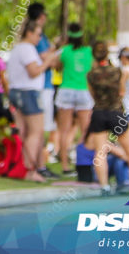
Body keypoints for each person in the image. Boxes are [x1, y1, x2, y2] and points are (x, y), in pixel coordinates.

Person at [83, 42, 129, 195]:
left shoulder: (90, 75)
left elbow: (92, 95)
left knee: (100, 151)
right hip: (116, 112)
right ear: (107, 54)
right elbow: (122, 91)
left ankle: (104, 186)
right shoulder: (117, 72)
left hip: (99, 112)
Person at [7, 19, 61, 182]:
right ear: (29, 33)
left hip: (18, 92)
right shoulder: (27, 49)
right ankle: (30, 170)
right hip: (28, 93)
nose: (39, 39)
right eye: (38, 35)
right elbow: (34, 71)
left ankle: (21, 167)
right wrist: (47, 62)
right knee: (36, 132)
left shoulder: (17, 49)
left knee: (23, 132)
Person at [54, 23, 93, 175]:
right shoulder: (88, 51)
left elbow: (57, 67)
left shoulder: (64, 51)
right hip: (83, 91)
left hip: (66, 91)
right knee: (86, 130)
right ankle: (85, 165)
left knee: (64, 131)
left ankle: (65, 166)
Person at [28, 3, 58, 173]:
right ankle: (37, 165)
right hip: (41, 87)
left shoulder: (40, 36)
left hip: (44, 86)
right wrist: (53, 54)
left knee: (40, 129)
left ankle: (40, 164)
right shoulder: (37, 37)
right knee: (38, 129)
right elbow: (44, 60)